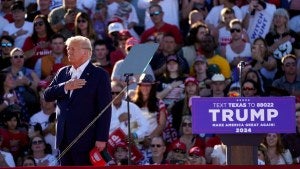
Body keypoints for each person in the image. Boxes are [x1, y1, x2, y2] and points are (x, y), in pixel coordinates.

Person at [44, 35, 112, 165]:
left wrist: (102, 138)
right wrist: (65, 86)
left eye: (73, 49)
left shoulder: (99, 74)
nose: (69, 51)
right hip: (64, 139)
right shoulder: (63, 72)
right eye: (68, 48)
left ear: (86, 52)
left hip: (88, 140)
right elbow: (47, 95)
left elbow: (105, 109)